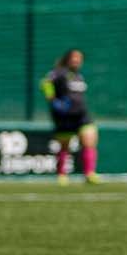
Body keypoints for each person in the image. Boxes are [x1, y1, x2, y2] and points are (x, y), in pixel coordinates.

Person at [41, 48, 100, 185]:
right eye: (74, 57)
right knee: (64, 147)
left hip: (82, 115)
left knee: (90, 139)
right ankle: (62, 175)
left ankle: (89, 173)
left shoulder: (78, 76)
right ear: (67, 58)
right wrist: (53, 100)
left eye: (79, 58)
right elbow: (45, 83)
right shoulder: (59, 73)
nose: (77, 60)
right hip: (65, 117)